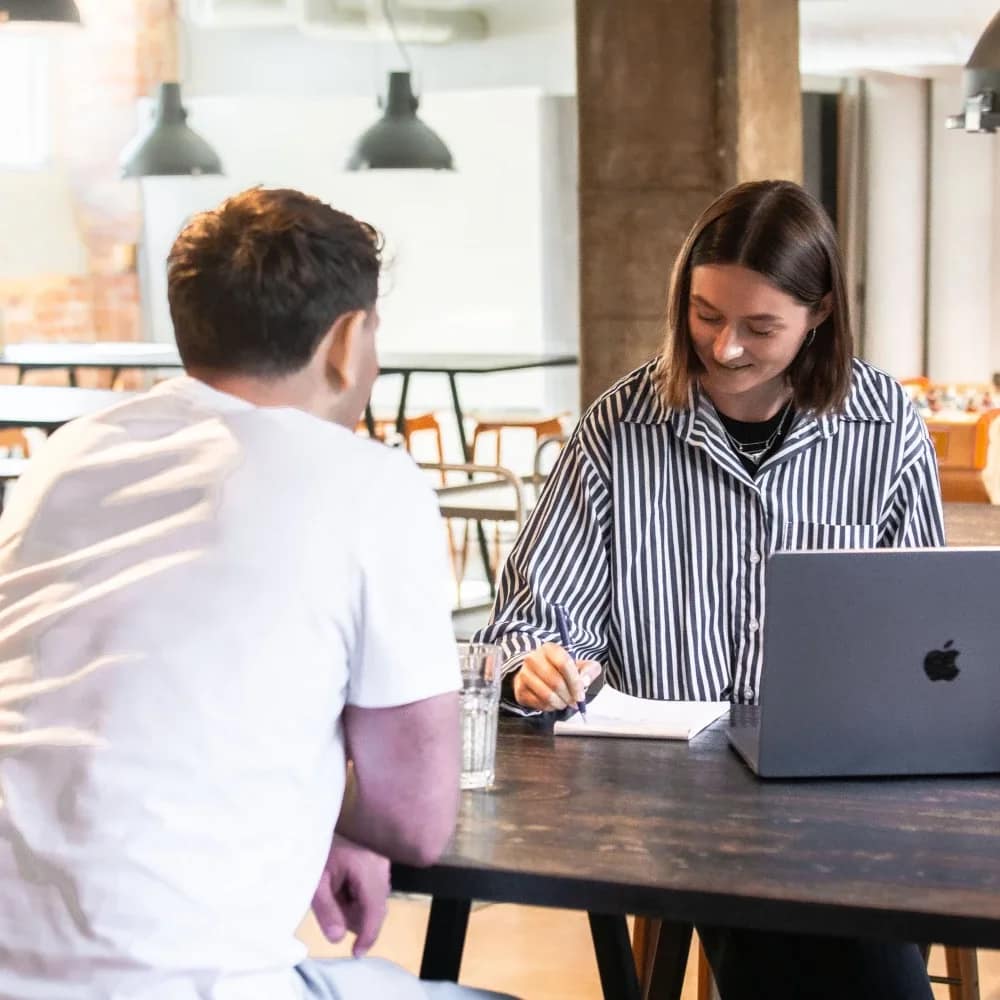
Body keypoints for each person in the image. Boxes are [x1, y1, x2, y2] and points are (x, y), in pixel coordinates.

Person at [0, 188, 511, 1000]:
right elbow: (416, 818)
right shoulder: (369, 486)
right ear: (348, 340)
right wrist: (325, 794)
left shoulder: (61, 462)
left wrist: (307, 806)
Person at [475, 179, 941, 1000]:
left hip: (839, 787)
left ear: (821, 313)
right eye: (705, 314)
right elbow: (535, 618)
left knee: (825, 916)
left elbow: (931, 635)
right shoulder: (620, 430)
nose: (724, 348)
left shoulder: (886, 426)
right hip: (669, 791)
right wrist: (538, 665)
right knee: (814, 931)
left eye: (761, 327)